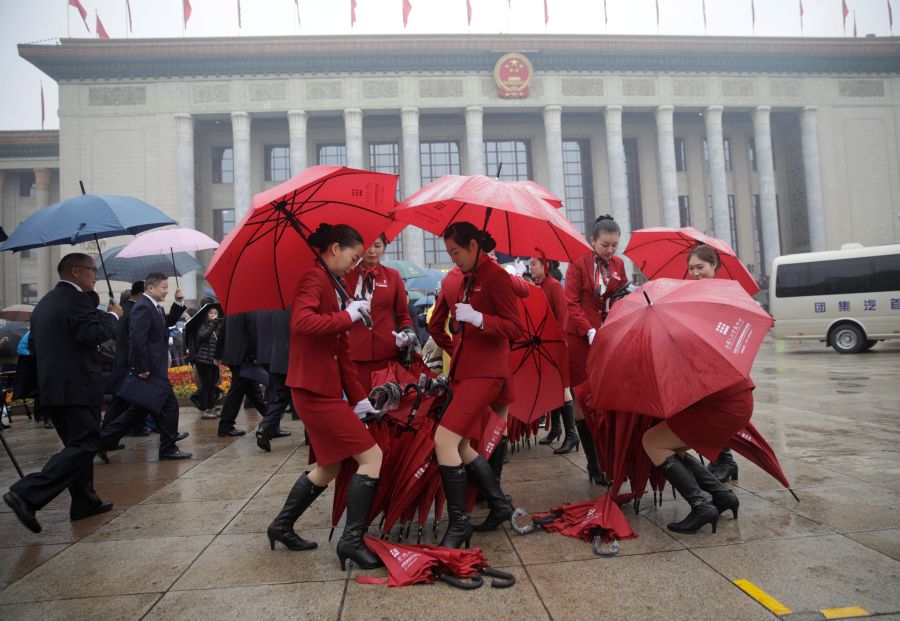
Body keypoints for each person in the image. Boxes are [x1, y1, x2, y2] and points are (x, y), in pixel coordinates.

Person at [266, 223, 383, 571]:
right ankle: (351, 541)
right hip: (314, 390)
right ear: (334, 248)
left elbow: (342, 352)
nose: (356, 263)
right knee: (372, 458)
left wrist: (360, 399)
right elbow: (302, 323)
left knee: (329, 466)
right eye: (354, 256)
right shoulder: (313, 279)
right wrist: (345, 314)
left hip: (323, 389)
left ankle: (281, 525)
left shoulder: (334, 284)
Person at [3, 253, 122, 533]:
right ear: (76, 271)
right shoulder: (75, 300)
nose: (95, 276)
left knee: (76, 446)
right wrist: (111, 316)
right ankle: (27, 493)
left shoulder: (46, 302)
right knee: (85, 445)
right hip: (76, 386)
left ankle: (84, 502)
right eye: (92, 271)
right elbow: (91, 334)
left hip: (54, 388)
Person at [425, 222, 523, 549]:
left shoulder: (495, 276)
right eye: (449, 253)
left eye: (456, 252)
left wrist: (480, 319)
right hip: (467, 371)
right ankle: (499, 504)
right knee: (463, 445)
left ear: (472, 245)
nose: (454, 259)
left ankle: (459, 524)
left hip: (487, 374)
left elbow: (515, 327)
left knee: (444, 440)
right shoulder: (467, 277)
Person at [562, 215, 631, 485]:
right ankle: (593, 463)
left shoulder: (618, 265)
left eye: (615, 245)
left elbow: (621, 295)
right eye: (605, 245)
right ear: (592, 240)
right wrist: (589, 329)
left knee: (606, 395)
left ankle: (608, 457)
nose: (610, 250)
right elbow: (571, 303)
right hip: (580, 339)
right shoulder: (578, 265)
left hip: (608, 336)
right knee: (582, 395)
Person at [100, 273, 192, 460]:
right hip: (150, 370)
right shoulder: (143, 307)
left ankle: (101, 442)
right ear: (150, 288)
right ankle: (167, 448)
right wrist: (142, 368)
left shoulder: (153, 307)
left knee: (138, 411)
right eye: (164, 287)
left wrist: (177, 303)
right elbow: (137, 339)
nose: (167, 291)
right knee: (170, 407)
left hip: (153, 369)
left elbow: (165, 323)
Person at [686, 244, 740, 483]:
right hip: (701, 361)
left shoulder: (726, 292)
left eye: (700, 267)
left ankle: (725, 460)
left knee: (716, 412)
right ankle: (722, 459)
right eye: (691, 268)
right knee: (706, 412)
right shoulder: (692, 293)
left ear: (714, 265)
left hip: (722, 362)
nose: (696, 273)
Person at [344, 234, 417, 393]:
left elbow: (403, 315)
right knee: (358, 406)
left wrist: (407, 334)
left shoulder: (393, 276)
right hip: (354, 353)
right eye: (368, 247)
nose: (372, 251)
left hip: (386, 352)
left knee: (385, 405)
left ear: (384, 247)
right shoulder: (345, 275)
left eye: (377, 246)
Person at [530, 252, 571, 447]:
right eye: (530, 263)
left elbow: (563, 318)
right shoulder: (537, 287)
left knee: (562, 389)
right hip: (543, 345)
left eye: (534, 263)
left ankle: (571, 434)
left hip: (556, 345)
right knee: (552, 389)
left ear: (545, 264)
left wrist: (558, 343)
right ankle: (556, 429)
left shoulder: (554, 286)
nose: (531, 267)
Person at [214, 311, 266, 437]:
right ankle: (225, 425)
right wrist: (255, 355)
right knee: (237, 392)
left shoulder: (232, 309)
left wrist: (217, 353)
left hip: (234, 357)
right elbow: (252, 334)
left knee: (252, 390)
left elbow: (222, 332)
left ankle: (271, 419)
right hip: (244, 357)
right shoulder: (248, 309)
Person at [255, 309, 293, 451]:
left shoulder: (271, 310)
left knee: (280, 398)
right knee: (306, 398)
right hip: (292, 358)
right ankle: (311, 437)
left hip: (276, 359)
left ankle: (265, 427)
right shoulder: (295, 308)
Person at [193, 306, 222, 419]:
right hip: (203, 361)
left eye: (215, 313)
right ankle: (205, 409)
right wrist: (212, 324)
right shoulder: (203, 326)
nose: (214, 315)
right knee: (206, 386)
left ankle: (211, 407)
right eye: (211, 313)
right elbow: (202, 336)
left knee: (212, 385)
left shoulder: (216, 328)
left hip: (213, 361)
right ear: (206, 315)